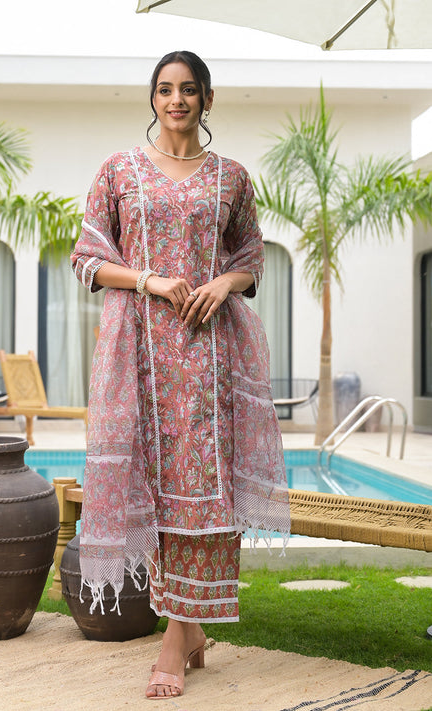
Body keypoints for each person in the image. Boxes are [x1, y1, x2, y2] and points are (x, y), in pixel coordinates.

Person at [71, 50, 290, 701]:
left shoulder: (230, 177)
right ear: (152, 99)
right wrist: (150, 279)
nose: (175, 100)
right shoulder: (119, 172)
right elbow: (87, 260)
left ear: (206, 100)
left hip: (210, 359)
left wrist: (223, 281)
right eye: (165, 90)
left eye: (187, 89)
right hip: (139, 359)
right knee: (159, 491)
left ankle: (174, 634)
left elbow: (250, 253)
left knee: (207, 495)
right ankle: (190, 631)